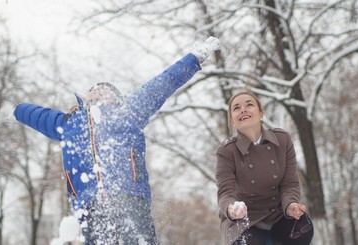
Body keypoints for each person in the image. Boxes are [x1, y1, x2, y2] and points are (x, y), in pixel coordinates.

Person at [14, 36, 220, 245]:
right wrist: (14, 108)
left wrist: (193, 59)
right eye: (92, 89)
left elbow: (161, 85)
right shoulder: (69, 123)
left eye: (105, 88)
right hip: (89, 205)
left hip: (128, 197)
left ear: (116, 98)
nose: (97, 89)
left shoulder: (128, 112)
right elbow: (31, 113)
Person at [215, 91, 314, 245]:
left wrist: (291, 205)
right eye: (236, 108)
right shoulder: (226, 151)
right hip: (244, 221)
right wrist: (231, 209)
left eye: (249, 104)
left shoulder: (282, 140)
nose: (243, 109)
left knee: (303, 227)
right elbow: (225, 192)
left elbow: (290, 184)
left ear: (261, 114)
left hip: (279, 214)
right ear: (232, 121)